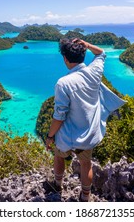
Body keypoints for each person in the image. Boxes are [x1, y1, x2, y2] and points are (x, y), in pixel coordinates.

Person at [45, 38, 125, 202]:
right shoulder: (94, 71)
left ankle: (57, 184)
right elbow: (102, 53)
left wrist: (50, 136)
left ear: (65, 59)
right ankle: (85, 196)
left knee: (59, 156)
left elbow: (59, 116)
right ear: (83, 55)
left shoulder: (63, 83)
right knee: (86, 164)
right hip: (88, 132)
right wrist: (87, 45)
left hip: (67, 135)